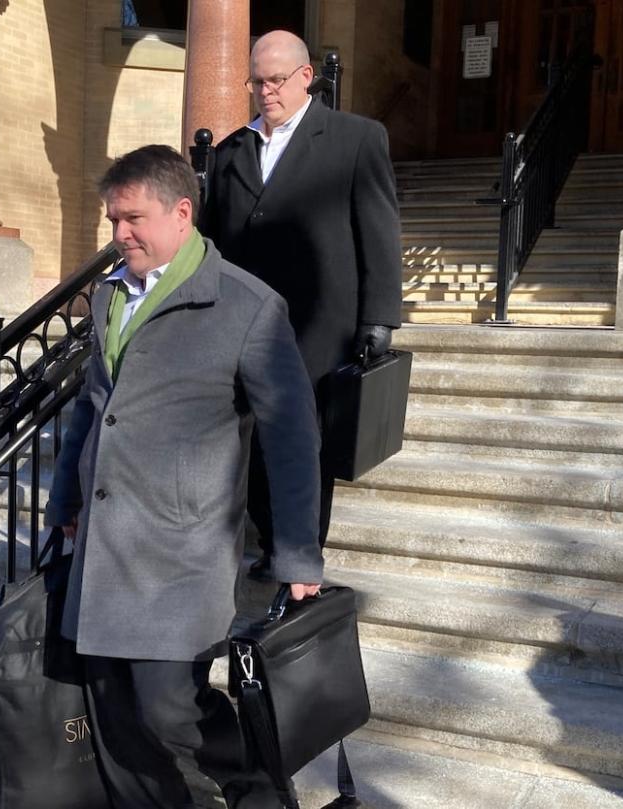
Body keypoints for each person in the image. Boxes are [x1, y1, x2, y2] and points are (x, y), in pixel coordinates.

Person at [44, 144, 324, 809]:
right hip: (107, 542)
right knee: (114, 712)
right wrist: (67, 497)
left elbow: (291, 436)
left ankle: (257, 797)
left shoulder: (246, 306)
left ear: (182, 212)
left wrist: (297, 552)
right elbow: (93, 404)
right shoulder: (111, 294)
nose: (119, 235)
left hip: (181, 549)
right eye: (113, 219)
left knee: (171, 708)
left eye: (133, 219)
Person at [200, 29, 403, 579]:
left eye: (276, 80)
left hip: (320, 323)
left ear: (306, 77)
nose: (266, 91)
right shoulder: (229, 153)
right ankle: (270, 543)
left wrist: (379, 316)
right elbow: (212, 240)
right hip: (245, 324)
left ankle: (302, 548)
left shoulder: (355, 139)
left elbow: (378, 231)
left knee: (307, 443)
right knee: (259, 437)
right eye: (256, 82)